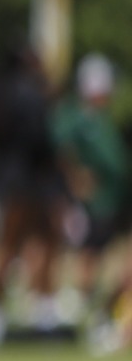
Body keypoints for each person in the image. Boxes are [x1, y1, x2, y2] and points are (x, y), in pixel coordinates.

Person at [0, 45, 68, 346]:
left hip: (8, 178)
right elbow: (41, 139)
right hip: (33, 180)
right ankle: (44, 315)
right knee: (44, 243)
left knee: (8, 249)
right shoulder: (32, 93)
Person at [52, 53, 125, 333]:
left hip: (114, 200)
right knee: (90, 255)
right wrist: (76, 177)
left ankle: (97, 311)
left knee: (105, 256)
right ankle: (86, 310)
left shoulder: (102, 119)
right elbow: (62, 149)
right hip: (95, 204)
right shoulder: (78, 119)